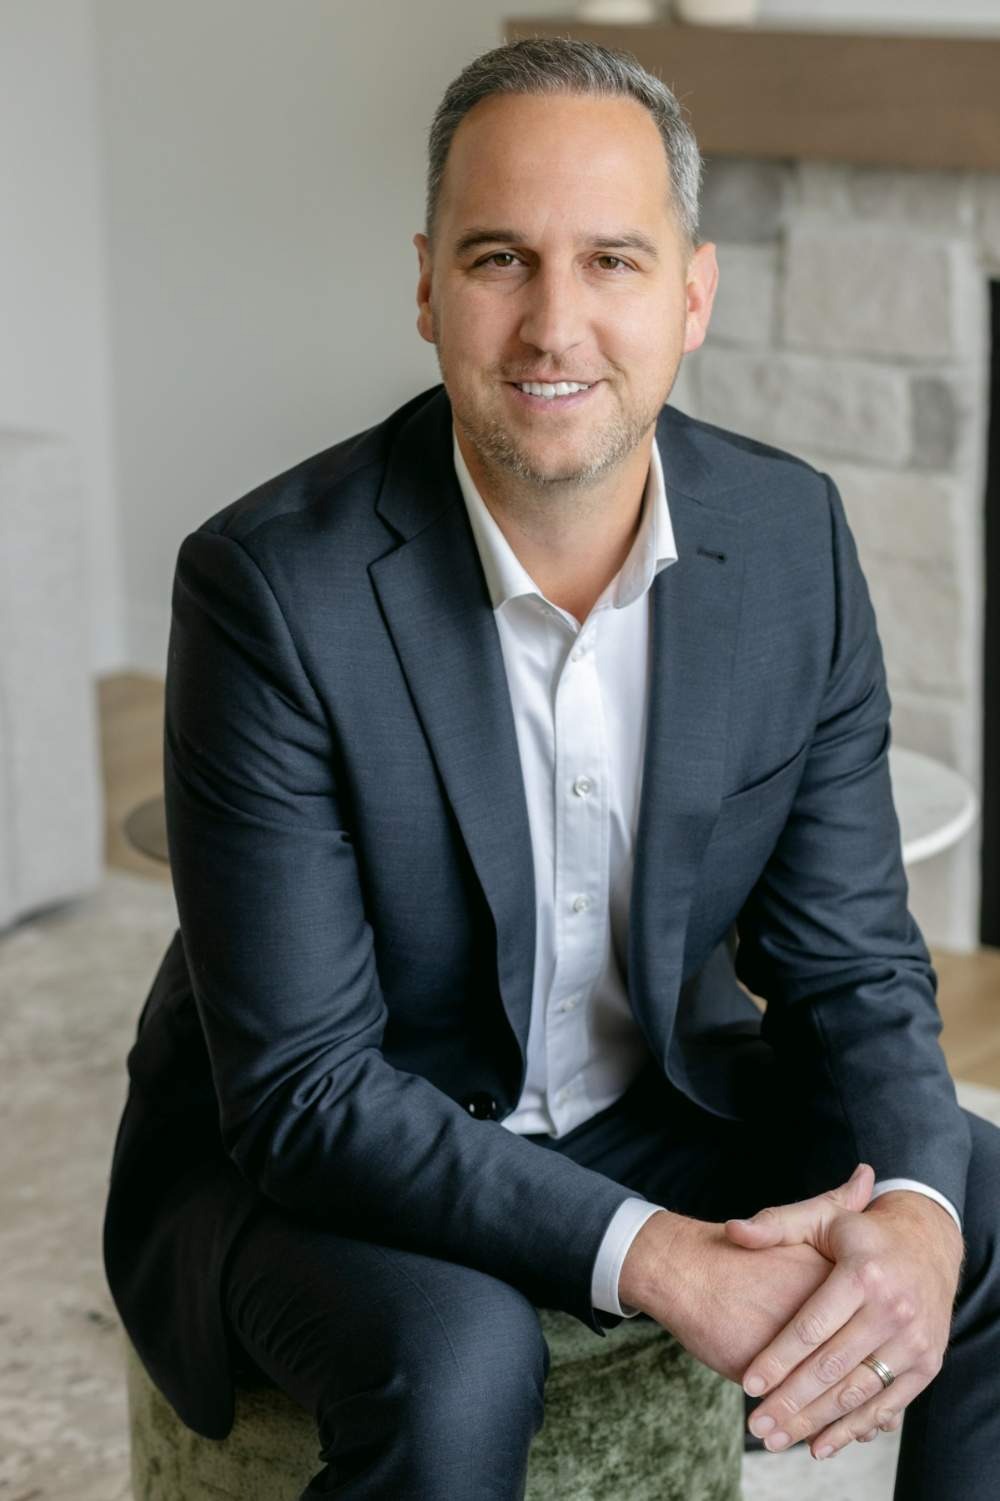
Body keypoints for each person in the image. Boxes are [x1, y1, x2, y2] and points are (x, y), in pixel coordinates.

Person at [102, 35, 999, 1501]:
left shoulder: (790, 543)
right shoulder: (268, 589)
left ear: (693, 294)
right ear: (427, 285)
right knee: (460, 1356)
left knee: (972, 1194)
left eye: (613, 262)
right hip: (323, 1148)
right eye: (500, 259)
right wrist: (660, 1259)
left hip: (650, 1103)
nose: (552, 324)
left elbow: (851, 961)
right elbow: (307, 1090)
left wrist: (910, 1212)